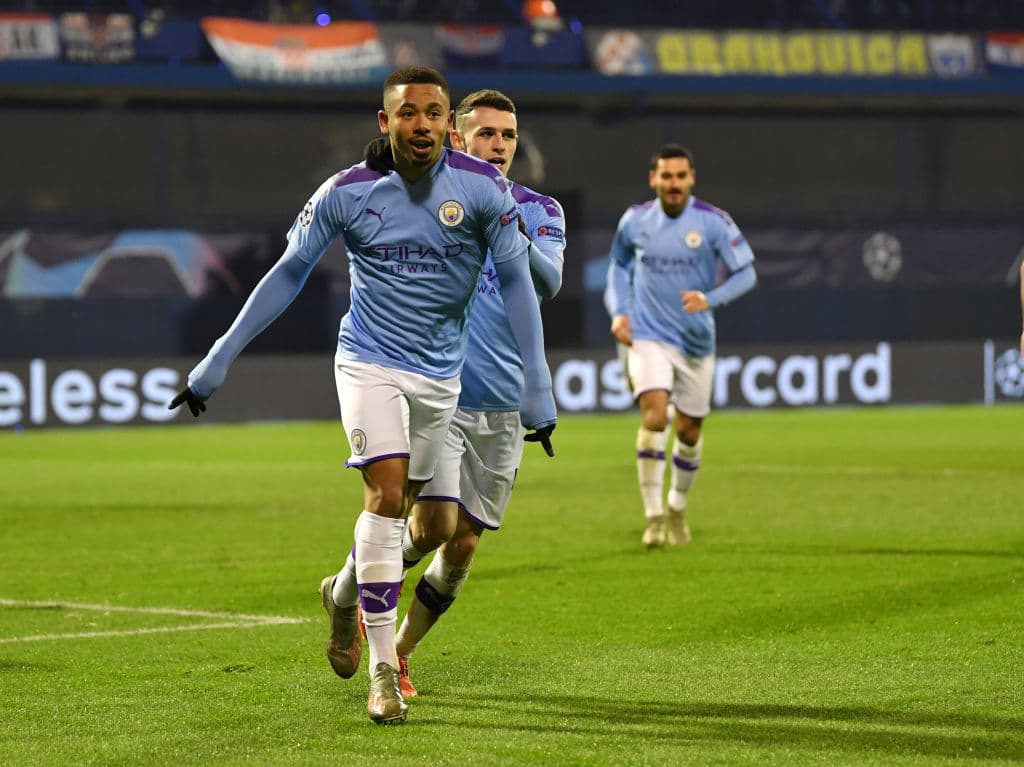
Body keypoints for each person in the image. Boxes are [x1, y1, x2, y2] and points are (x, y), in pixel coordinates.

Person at [168, 66, 556, 725]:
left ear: (444, 125)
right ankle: (383, 671)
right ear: (387, 122)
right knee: (384, 493)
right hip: (369, 363)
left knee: (431, 523)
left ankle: (344, 592)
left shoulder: (485, 192)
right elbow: (287, 272)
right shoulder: (348, 192)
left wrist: (538, 391)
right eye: (409, 113)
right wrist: (215, 361)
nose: (422, 124)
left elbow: (522, 282)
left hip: (441, 377)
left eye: (433, 113)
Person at [325, 89, 566, 700]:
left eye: (508, 135)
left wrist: (505, 215)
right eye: (486, 134)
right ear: (458, 138)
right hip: (444, 391)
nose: (500, 145)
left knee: (461, 544)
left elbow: (550, 282)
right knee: (431, 524)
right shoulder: (438, 202)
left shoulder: (539, 209)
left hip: (504, 406)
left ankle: (387, 634)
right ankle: (367, 614)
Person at [604, 144, 756, 549]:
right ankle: (653, 516)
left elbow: (746, 273)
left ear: (692, 179)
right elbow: (618, 265)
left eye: (680, 176)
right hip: (648, 335)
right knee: (655, 416)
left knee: (688, 432)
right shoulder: (635, 222)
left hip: (695, 339)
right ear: (653, 179)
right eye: (666, 176)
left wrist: (711, 299)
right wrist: (620, 311)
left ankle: (676, 507)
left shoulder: (714, 222)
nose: (673, 184)